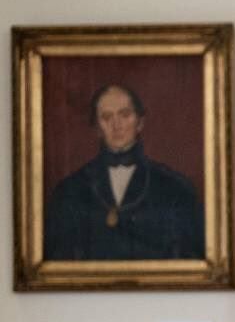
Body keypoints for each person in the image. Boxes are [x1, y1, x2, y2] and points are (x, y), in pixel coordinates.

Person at [43, 83, 205, 260]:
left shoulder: (175, 188)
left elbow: (188, 261)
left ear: (140, 122)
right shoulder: (69, 191)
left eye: (125, 114)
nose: (116, 125)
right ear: (97, 127)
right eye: (106, 117)